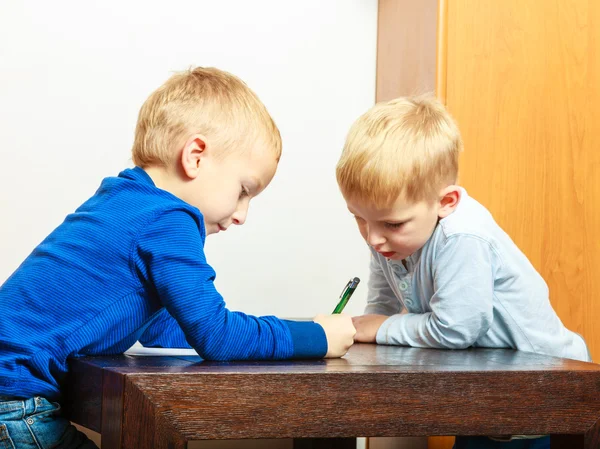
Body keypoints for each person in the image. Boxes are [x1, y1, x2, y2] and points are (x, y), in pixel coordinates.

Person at [0, 66, 355, 448]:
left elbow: (161, 328)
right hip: (15, 401)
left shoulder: (125, 200)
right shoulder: (168, 217)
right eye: (243, 191)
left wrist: (232, 328)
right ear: (196, 157)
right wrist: (318, 336)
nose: (241, 214)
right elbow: (217, 336)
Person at [335, 95, 590, 449]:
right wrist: (351, 332)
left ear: (446, 202)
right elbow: (381, 308)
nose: (373, 237)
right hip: (485, 389)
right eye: (359, 218)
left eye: (391, 223)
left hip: (541, 390)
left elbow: (455, 329)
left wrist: (381, 328)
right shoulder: (390, 237)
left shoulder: (462, 236)